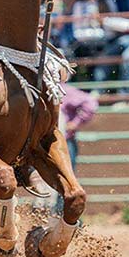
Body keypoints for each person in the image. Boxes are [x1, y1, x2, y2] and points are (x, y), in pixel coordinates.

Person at [53, 84, 98, 215]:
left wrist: (75, 123)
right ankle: (63, 215)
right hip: (57, 142)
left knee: (65, 180)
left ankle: (64, 214)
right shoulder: (62, 90)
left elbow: (90, 103)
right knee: (63, 179)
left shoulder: (64, 91)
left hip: (63, 142)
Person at [70, 0, 118, 82]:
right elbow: (76, 30)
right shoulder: (79, 5)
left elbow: (114, 26)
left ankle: (98, 88)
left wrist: (101, 20)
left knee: (102, 59)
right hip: (85, 43)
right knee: (74, 55)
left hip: (104, 41)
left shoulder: (107, 2)